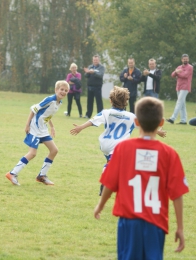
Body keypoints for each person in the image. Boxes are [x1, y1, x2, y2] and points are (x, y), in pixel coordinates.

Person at [94, 97, 189, 260]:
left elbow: (109, 183)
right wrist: (180, 227)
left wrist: (100, 205)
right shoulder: (169, 153)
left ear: (136, 122)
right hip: (156, 223)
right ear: (161, 122)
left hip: (128, 222)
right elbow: (177, 194)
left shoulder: (123, 148)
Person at [70, 86, 166, 195]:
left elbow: (93, 121)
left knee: (112, 163)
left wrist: (80, 127)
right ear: (126, 101)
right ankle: (107, 180)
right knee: (121, 167)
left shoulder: (106, 112)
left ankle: (109, 177)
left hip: (105, 144)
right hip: (119, 146)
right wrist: (158, 132)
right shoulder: (131, 116)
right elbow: (145, 125)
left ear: (111, 100)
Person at [6, 80, 69, 186]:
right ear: (56, 90)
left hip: (43, 129)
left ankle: (41, 176)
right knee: (33, 153)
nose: (63, 92)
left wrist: (52, 127)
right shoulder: (49, 99)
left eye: (66, 90)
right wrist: (27, 125)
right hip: (34, 129)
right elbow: (34, 110)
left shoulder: (59, 103)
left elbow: (46, 115)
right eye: (61, 89)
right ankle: (12, 173)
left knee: (54, 150)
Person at [166, 54, 193, 125]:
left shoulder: (190, 67)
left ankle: (172, 118)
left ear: (188, 59)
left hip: (185, 87)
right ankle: (183, 120)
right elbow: (172, 75)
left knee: (179, 102)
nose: (185, 60)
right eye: (184, 59)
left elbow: (185, 75)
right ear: (182, 60)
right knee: (182, 104)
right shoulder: (179, 67)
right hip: (179, 87)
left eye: (186, 59)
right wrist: (176, 72)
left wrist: (177, 73)